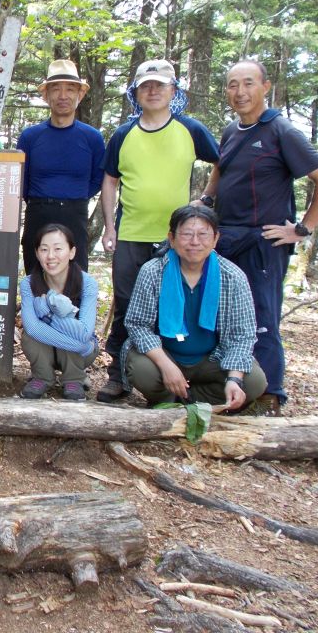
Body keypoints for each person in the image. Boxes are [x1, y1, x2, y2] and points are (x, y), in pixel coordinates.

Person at [197, 59, 318, 414]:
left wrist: (302, 229)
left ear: (266, 86)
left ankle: (269, 394)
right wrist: (205, 199)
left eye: (248, 83)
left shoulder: (280, 131)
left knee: (261, 316)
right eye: (233, 84)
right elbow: (221, 167)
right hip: (226, 237)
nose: (240, 92)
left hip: (263, 242)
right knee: (223, 313)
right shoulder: (233, 130)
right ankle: (231, 386)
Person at [97, 58, 219, 402]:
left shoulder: (190, 130)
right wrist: (110, 227)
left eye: (160, 86)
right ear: (135, 93)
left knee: (174, 303)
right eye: (145, 86)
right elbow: (110, 179)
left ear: (173, 91)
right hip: (131, 233)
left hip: (179, 240)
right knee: (126, 306)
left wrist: (205, 200)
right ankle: (118, 376)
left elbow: (221, 162)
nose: (152, 91)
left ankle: (174, 375)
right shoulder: (123, 134)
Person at [123, 205, 267, 410]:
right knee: (142, 371)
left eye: (203, 235)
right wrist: (167, 366)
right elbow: (138, 325)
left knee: (254, 382)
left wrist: (235, 380)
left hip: (212, 358)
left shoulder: (233, 276)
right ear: (171, 238)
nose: (195, 242)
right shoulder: (153, 271)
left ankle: (188, 399)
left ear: (215, 238)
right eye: (187, 234)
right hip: (167, 354)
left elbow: (242, 335)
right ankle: (165, 398)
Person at [17, 60, 104, 273]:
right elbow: (21, 182)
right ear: (46, 95)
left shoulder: (92, 138)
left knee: (75, 275)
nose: (63, 96)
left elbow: (97, 179)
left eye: (70, 89)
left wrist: (72, 196)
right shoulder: (30, 137)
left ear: (79, 95)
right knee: (35, 274)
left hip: (76, 213)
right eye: (56, 89)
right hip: (38, 211)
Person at [18, 224, 100, 400]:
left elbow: (85, 333)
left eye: (58, 249)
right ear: (37, 253)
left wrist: (48, 314)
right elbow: (32, 328)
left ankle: (74, 379)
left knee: (74, 332)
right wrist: (76, 341)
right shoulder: (28, 283)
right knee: (29, 337)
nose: (51, 256)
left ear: (71, 252)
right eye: (44, 249)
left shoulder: (88, 283)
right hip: (55, 347)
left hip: (82, 353)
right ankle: (42, 377)